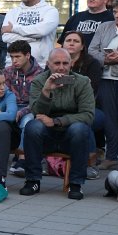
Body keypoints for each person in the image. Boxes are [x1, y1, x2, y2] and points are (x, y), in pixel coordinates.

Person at [21, 48, 96, 199]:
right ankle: (33, 180)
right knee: (32, 126)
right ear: (48, 64)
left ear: (71, 64)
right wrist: (46, 91)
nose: (61, 67)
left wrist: (56, 121)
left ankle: (75, 184)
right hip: (46, 134)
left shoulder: (82, 82)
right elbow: (36, 112)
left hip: (70, 132)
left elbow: (88, 115)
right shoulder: (39, 81)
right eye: (57, 63)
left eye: (65, 63)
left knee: (80, 129)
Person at [88, 1, 118, 171]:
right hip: (106, 79)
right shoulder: (104, 27)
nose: (117, 15)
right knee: (109, 119)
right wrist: (106, 59)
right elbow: (92, 50)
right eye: (115, 12)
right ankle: (111, 157)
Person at [1, 0, 60, 68]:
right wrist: (34, 38)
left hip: (41, 66)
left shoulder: (50, 11)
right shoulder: (13, 12)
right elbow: (6, 37)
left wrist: (14, 29)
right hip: (12, 65)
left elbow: (42, 31)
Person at [4, 40, 42, 176]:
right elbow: (5, 95)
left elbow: (37, 101)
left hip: (31, 108)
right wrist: (13, 110)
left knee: (27, 122)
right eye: (12, 57)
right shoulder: (8, 72)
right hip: (12, 106)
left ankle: (22, 159)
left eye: (17, 56)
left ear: (27, 55)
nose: (14, 60)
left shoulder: (40, 74)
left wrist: (22, 111)